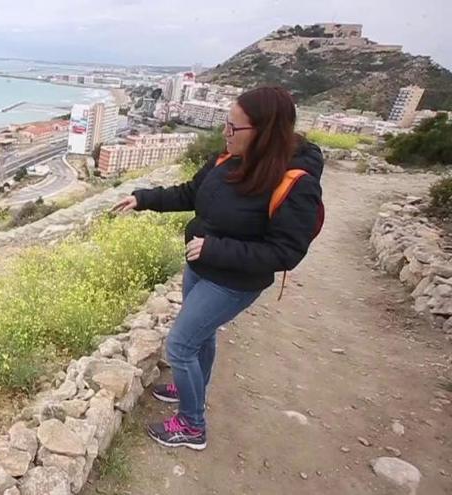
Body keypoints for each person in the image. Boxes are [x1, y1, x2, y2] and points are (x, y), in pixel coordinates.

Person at [110, 86, 323, 450]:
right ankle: (192, 386)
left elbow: (285, 252)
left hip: (233, 282)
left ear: (264, 133)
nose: (225, 133)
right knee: (201, 337)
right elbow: (191, 193)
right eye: (226, 124)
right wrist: (143, 198)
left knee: (179, 346)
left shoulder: (294, 183)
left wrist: (215, 249)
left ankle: (192, 426)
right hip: (201, 266)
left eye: (233, 128)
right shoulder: (227, 159)